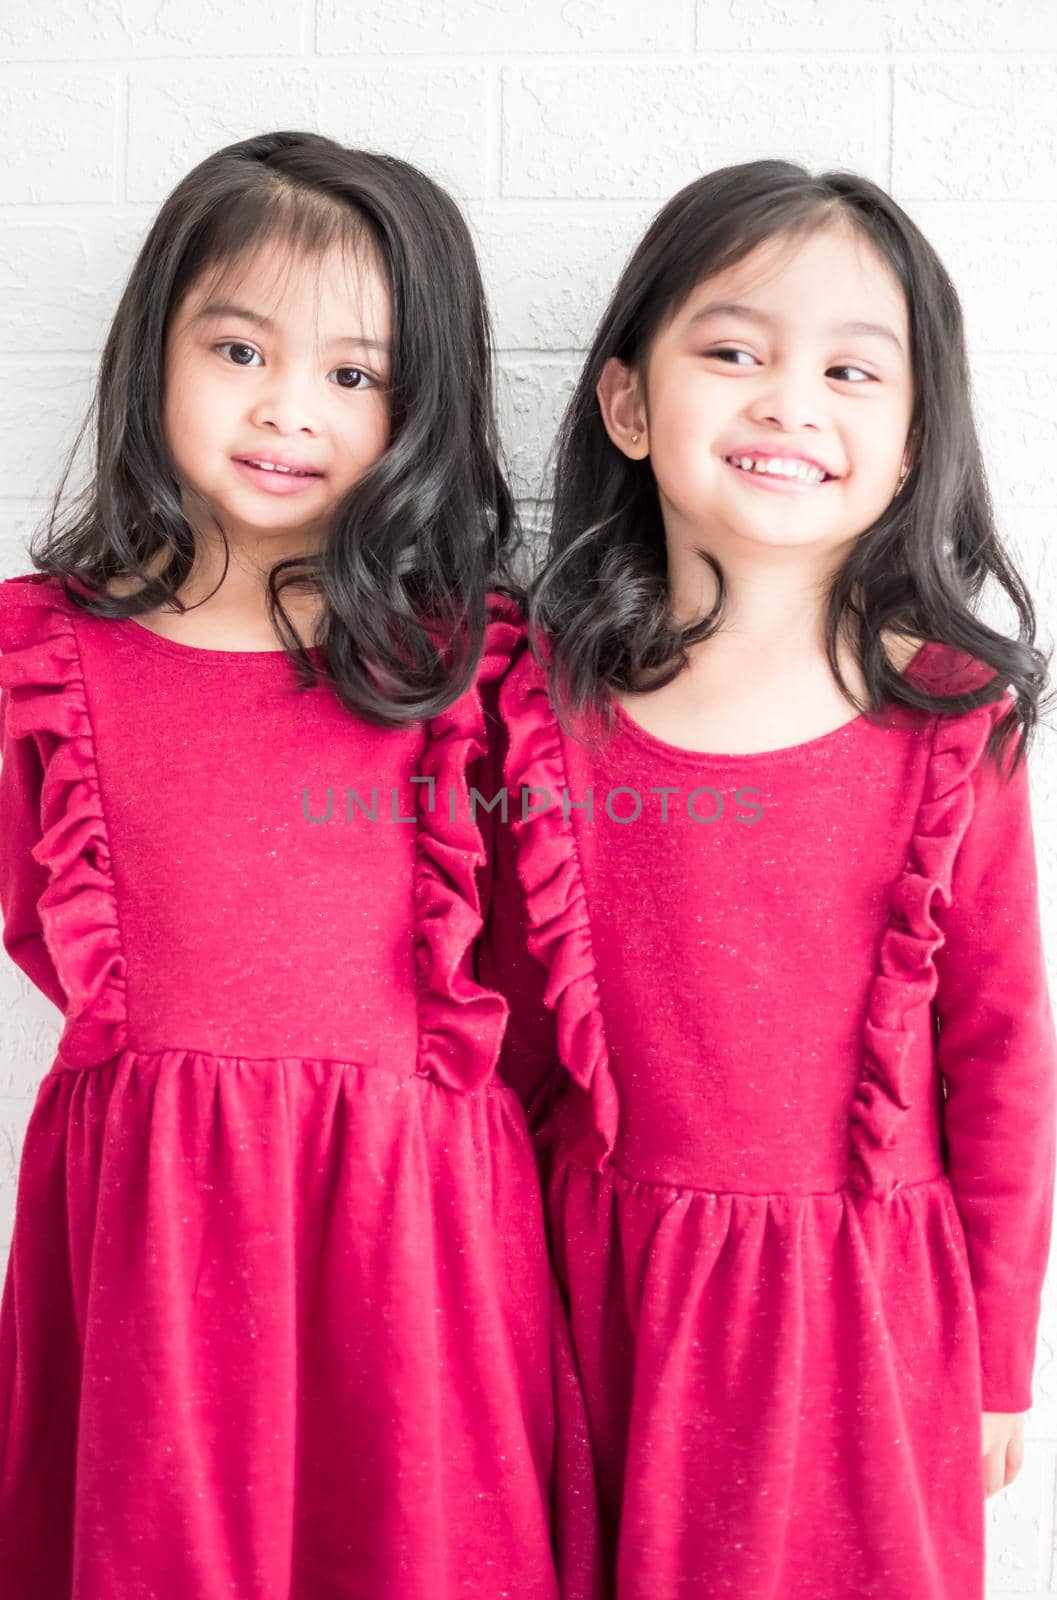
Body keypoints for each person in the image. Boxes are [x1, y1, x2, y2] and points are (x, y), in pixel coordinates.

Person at [0, 129, 594, 1600]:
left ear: (421, 403)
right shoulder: (47, 660)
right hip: (151, 1245)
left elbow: (531, 989)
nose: (287, 409)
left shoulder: (474, 673)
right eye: (240, 347)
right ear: (156, 351)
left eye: (351, 373)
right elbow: (44, 923)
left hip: (418, 1252)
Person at [478, 158, 1057, 1599]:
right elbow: (501, 1044)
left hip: (865, 1326)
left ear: (916, 438)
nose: (789, 401)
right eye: (733, 352)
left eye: (852, 372)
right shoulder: (534, 716)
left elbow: (1001, 1059)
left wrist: (993, 1356)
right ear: (625, 403)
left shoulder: (946, 724)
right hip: (593, 1304)